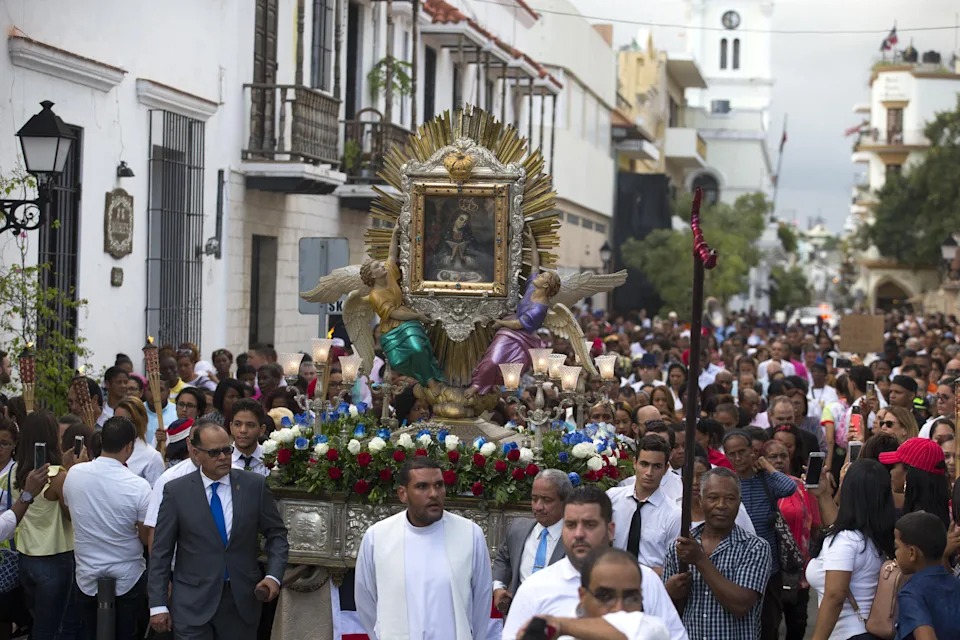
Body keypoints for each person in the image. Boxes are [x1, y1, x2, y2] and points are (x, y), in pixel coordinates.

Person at [148, 421, 288, 639]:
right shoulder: (176, 491)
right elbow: (161, 552)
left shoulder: (254, 486)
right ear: (195, 453)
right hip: (191, 604)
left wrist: (273, 576)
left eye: (227, 450)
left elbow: (277, 535)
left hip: (241, 601)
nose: (223, 457)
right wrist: (158, 605)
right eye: (214, 452)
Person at [501, 486, 687, 640]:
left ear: (611, 530)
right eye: (571, 525)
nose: (579, 534)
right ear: (582, 595)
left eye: (589, 525)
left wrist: (561, 625)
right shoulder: (535, 588)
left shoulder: (645, 580)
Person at [355, 458, 492, 640]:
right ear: (403, 494)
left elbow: (482, 602)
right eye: (422, 487)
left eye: (439, 485)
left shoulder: (470, 534)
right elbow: (366, 602)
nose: (434, 494)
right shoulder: (377, 537)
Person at [62, 416, 151, 639]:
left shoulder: (73, 474)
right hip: (128, 575)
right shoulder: (138, 486)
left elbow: (70, 510)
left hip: (86, 573)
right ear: (129, 446)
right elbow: (144, 536)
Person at [663, 467, 771, 640]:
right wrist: (668, 591)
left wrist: (700, 560)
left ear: (739, 502)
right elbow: (666, 614)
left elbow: (740, 605)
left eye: (730, 499)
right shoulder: (679, 547)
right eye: (713, 498)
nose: (721, 505)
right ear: (700, 500)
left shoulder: (755, 547)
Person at [14, 410, 85, 640]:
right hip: (55, 559)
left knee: (39, 625)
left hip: (25, 557)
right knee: (53, 629)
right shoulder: (58, 477)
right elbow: (73, 516)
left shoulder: (17, 472)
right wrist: (75, 470)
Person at [805, 459, 896, 640]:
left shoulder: (844, 540)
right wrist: (823, 495)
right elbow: (838, 525)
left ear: (849, 493)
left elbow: (834, 596)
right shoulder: (874, 536)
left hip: (847, 634)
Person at [721, 429, 796, 640]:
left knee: (768, 626)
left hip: (769, 569)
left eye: (742, 452)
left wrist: (767, 466)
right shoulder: (728, 483)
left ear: (752, 451)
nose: (738, 458)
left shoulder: (765, 480)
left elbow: (789, 486)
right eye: (732, 453)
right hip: (736, 567)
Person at [514, 548, 670, 640]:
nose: (619, 608)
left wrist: (559, 625)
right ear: (582, 596)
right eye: (605, 597)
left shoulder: (654, 630)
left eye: (631, 598)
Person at [763, 439, 822, 640]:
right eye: (773, 457)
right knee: (769, 627)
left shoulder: (801, 487)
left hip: (799, 570)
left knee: (797, 625)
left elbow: (816, 526)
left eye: (783, 456)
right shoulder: (760, 487)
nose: (779, 460)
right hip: (770, 571)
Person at [492, 469, 571, 614]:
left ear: (566, 501)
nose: (538, 507)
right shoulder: (517, 529)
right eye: (534, 499)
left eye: (547, 500)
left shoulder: (575, 539)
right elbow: (503, 559)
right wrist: (498, 587)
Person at [607, 435, 681, 574]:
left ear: (666, 469)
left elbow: (674, 568)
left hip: (651, 587)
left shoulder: (674, 515)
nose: (649, 473)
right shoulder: (612, 498)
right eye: (644, 464)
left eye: (657, 466)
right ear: (635, 463)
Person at [893, 512, 960, 640]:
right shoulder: (956, 584)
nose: (896, 553)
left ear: (912, 553)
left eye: (897, 547)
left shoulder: (911, 593)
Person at [114, 397, 165, 486]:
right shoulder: (107, 449)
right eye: (115, 420)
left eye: (125, 421)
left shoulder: (152, 457)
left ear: (139, 422)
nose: (118, 425)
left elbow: (155, 494)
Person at [229, 399, 269, 476]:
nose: (243, 430)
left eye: (250, 425)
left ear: (262, 430)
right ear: (231, 427)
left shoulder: (272, 458)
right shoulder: (221, 459)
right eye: (237, 424)